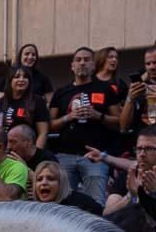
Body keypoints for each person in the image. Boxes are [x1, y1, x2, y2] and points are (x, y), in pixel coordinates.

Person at [49, 47, 121, 205]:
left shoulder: (105, 89)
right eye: (78, 60)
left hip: (95, 155)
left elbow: (120, 121)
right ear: (72, 65)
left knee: (95, 204)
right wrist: (69, 117)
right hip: (65, 154)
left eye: (87, 60)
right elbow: (50, 125)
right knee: (63, 204)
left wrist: (99, 116)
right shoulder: (61, 92)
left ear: (94, 65)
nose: (82, 63)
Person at [103, 130, 156, 232]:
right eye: (139, 149)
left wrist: (152, 195)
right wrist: (131, 196)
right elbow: (107, 213)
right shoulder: (127, 176)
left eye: (149, 149)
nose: (142, 154)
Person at [0, 66, 50, 147]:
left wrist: (35, 155)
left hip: (28, 152)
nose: (21, 79)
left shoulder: (37, 101)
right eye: (17, 76)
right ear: (10, 81)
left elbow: (43, 133)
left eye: (25, 77)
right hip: (5, 152)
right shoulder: (0, 103)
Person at [32, 160, 103, 215]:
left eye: (51, 179)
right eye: (39, 179)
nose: (44, 183)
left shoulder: (80, 202)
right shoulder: (33, 210)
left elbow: (103, 213)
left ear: (61, 183)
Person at [120, 45, 156, 138]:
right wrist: (130, 98)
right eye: (148, 64)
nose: (152, 67)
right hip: (143, 141)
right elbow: (124, 127)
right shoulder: (140, 87)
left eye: (155, 62)